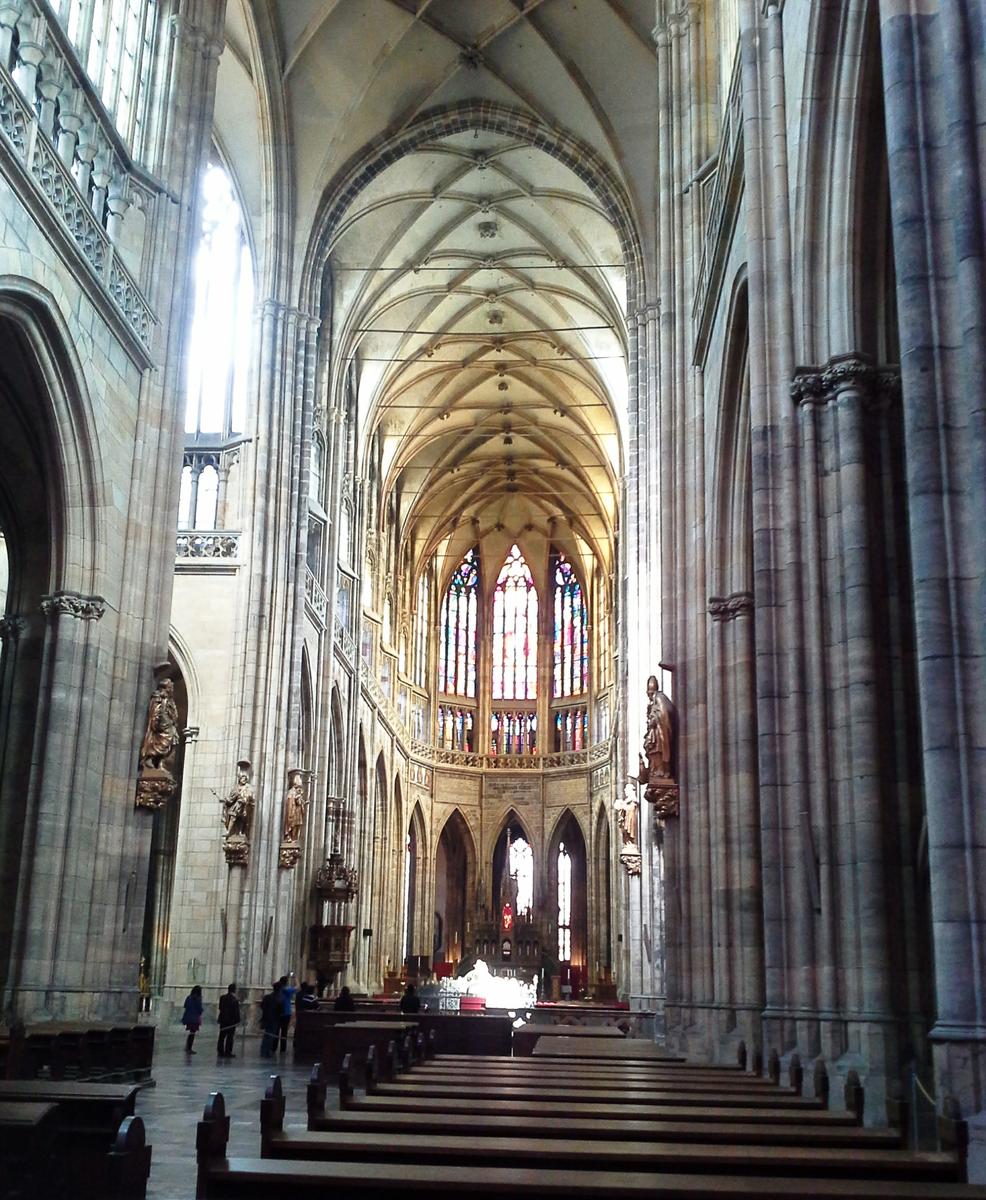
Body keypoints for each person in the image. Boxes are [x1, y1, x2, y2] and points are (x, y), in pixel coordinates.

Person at [217, 983, 240, 1058]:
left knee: (222, 1036)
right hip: (231, 1021)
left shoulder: (222, 997)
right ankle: (228, 1051)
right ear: (234, 990)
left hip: (223, 1020)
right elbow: (236, 1012)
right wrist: (238, 1020)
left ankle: (220, 1051)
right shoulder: (234, 1000)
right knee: (230, 1037)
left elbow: (220, 1008)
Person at [260, 980, 281, 1058]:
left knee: (266, 1035)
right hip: (274, 1019)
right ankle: (267, 1052)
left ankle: (263, 1051)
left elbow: (262, 1006)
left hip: (266, 1018)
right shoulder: (278, 999)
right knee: (270, 1036)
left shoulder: (267, 997)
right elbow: (280, 1010)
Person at [277, 973, 297, 1054]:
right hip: (286, 1013)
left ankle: (273, 1047)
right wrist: (295, 978)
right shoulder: (287, 990)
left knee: (276, 1030)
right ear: (286, 982)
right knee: (284, 1031)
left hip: (278, 1012)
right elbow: (298, 987)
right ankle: (282, 1049)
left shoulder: (278, 989)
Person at [181, 985, 203, 1054]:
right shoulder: (198, 999)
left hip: (188, 1017)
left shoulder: (188, 997)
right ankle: (189, 1048)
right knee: (192, 1033)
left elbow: (185, 1006)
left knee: (191, 1033)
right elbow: (199, 1009)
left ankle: (187, 1047)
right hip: (195, 1018)